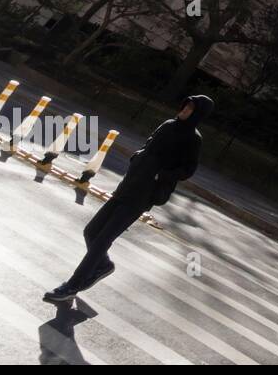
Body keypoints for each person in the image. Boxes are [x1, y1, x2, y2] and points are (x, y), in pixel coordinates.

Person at [44, 95, 214, 304]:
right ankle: (104, 265)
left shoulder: (193, 139)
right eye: (186, 105)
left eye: (191, 108)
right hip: (128, 185)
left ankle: (72, 286)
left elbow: (188, 170)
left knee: (102, 241)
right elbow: (149, 143)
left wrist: (161, 175)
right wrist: (138, 157)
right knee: (91, 231)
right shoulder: (169, 124)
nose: (185, 109)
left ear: (198, 114)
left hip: (144, 194)